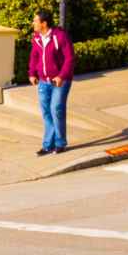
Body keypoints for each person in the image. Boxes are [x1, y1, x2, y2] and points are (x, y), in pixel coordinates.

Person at [28, 10, 74, 156]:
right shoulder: (37, 38)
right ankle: (48, 145)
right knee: (47, 112)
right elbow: (34, 56)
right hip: (43, 81)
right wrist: (32, 73)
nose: (33, 23)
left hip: (60, 81)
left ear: (44, 23)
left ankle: (60, 143)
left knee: (56, 109)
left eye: (35, 21)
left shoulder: (60, 36)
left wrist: (61, 76)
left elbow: (70, 59)